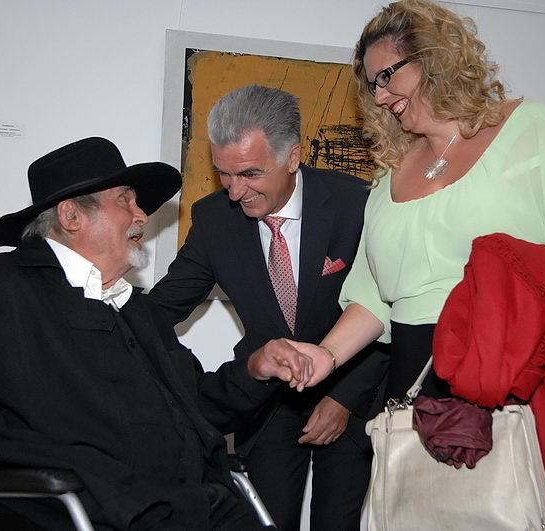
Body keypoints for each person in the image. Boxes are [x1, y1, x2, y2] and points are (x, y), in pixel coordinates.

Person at [291, 0, 545, 529]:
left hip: (511, 355)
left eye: (386, 76)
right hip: (416, 368)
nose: (379, 96)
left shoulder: (528, 127)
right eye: (371, 85)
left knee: (521, 509)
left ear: (434, 57)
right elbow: (374, 297)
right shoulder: (387, 179)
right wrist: (325, 356)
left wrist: (493, 280)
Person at [0, 137, 317, 531]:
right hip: (76, 506)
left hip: (183, 502)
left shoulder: (133, 308)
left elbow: (194, 405)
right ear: (71, 215)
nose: (142, 216)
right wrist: (101, 477)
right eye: (124, 201)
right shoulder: (2, 290)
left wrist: (253, 371)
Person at [149, 85, 388, 531]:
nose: (235, 191)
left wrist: (343, 399)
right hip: (267, 406)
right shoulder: (214, 219)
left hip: (351, 397)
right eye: (224, 174)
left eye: (250, 173)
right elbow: (162, 307)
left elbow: (385, 307)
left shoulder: (357, 204)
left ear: (292, 157)